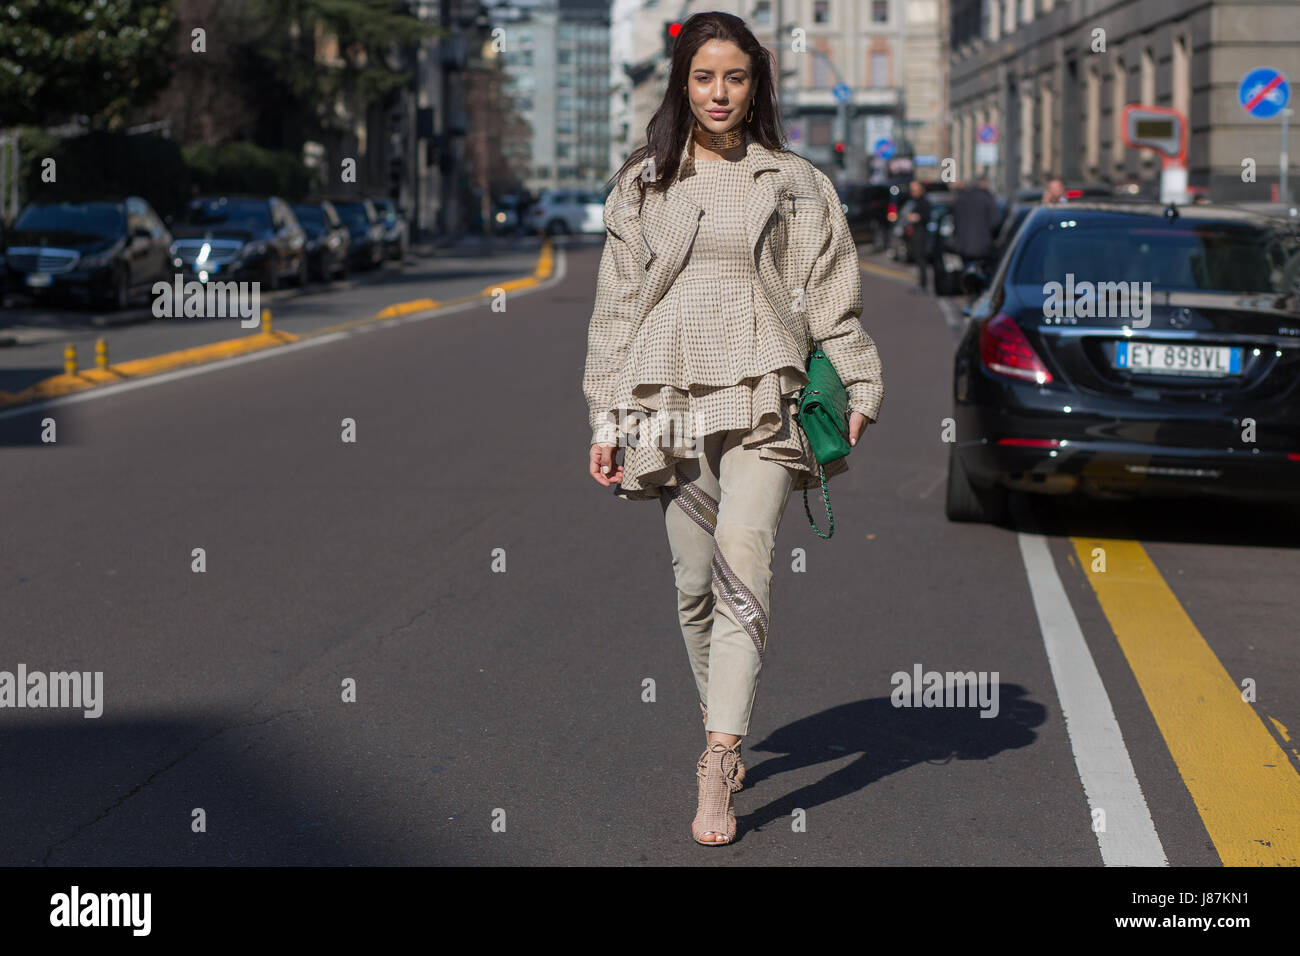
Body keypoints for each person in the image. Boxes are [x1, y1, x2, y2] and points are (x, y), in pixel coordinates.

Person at [582, 11, 884, 847]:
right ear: (683, 82)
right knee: (692, 582)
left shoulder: (795, 180)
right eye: (705, 77)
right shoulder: (645, 182)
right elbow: (614, 310)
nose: (720, 93)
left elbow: (832, 293)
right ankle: (722, 711)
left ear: (757, 86)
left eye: (736, 77)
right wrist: (607, 415)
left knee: (744, 555)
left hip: (767, 387)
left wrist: (859, 376)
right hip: (668, 394)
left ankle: (719, 758)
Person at [952, 177, 1001, 273]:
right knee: (980, 275)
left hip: (963, 245)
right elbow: (995, 222)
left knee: (965, 274)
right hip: (982, 247)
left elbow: (955, 221)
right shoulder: (987, 199)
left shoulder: (960, 198)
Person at [905, 180, 932, 293]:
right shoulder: (914, 201)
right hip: (915, 232)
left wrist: (917, 217)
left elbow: (926, 216)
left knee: (921, 259)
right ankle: (921, 283)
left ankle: (923, 284)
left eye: (915, 190)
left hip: (921, 233)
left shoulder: (924, 202)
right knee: (918, 258)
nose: (913, 192)